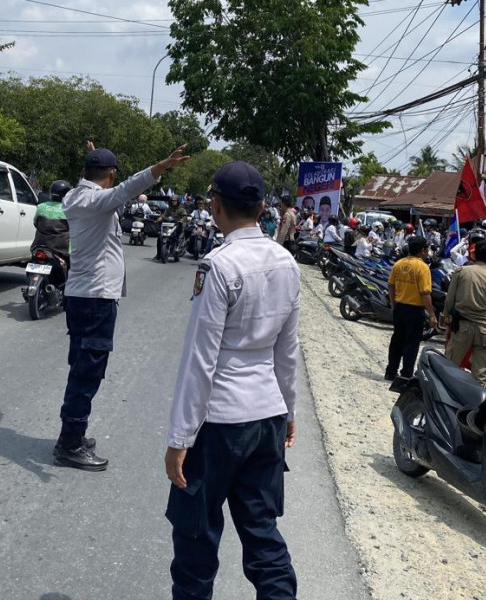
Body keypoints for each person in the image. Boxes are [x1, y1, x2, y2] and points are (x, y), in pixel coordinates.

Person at [165, 160, 299, 600]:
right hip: (267, 417)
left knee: (196, 540)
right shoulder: (286, 262)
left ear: (216, 205)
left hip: (220, 422)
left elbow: (201, 359)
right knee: (262, 534)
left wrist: (180, 437)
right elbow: (288, 350)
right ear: (261, 208)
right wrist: (290, 411)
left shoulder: (218, 266)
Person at [54, 142, 190, 471]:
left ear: (84, 172)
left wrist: (92, 151)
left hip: (80, 295)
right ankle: (70, 443)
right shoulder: (98, 200)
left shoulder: (73, 195)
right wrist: (163, 165)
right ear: (111, 175)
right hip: (96, 298)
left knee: (80, 368)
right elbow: (131, 186)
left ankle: (74, 432)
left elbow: (103, 179)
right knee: (87, 374)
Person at [442, 240, 486, 386]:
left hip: (462, 328)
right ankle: (474, 406)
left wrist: (446, 318)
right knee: (480, 377)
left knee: (448, 368)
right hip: (485, 332)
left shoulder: (461, 271)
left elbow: (449, 301)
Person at [385, 236, 439, 385]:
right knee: (411, 343)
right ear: (422, 250)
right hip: (414, 310)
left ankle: (390, 372)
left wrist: (393, 303)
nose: (428, 252)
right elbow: (425, 293)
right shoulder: (422, 267)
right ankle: (406, 374)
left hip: (399, 308)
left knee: (397, 340)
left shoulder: (399, 263)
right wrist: (432, 314)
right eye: (427, 249)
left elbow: (391, 285)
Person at [31, 180, 72, 261]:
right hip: (61, 249)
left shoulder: (41, 207)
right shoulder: (68, 210)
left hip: (38, 245)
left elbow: (35, 223)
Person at [154, 195, 189, 261]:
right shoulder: (169, 209)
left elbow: (184, 216)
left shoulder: (181, 209)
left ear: (178, 201)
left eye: (175, 201)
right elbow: (164, 215)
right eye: (172, 201)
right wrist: (160, 218)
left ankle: (178, 249)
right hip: (168, 226)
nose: (173, 202)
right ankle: (158, 254)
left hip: (178, 226)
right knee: (160, 238)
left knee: (178, 238)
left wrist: (181, 220)